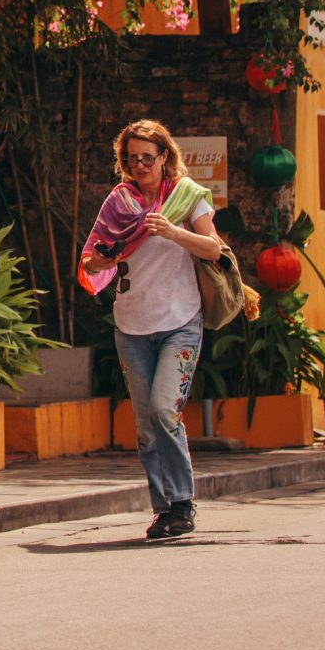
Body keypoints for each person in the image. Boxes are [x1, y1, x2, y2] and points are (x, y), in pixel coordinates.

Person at [79, 118, 221, 540]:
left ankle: (182, 501)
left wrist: (173, 231)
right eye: (131, 158)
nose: (139, 165)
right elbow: (90, 260)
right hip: (132, 324)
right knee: (146, 423)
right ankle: (164, 510)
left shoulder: (187, 197)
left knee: (164, 410)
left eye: (147, 157)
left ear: (164, 157)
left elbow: (214, 248)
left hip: (180, 322)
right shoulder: (117, 203)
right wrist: (102, 262)